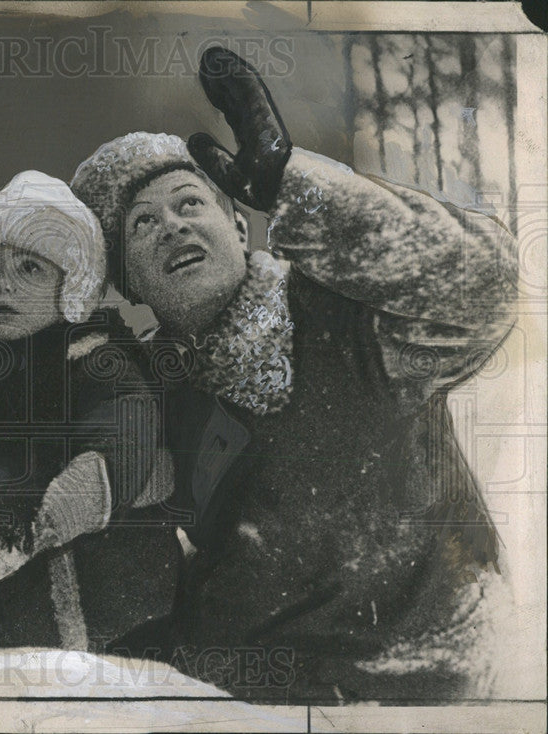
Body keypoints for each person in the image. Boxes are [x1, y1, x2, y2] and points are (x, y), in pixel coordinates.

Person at [70, 48, 517, 701]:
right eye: (142, 225)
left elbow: (484, 287)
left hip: (433, 686)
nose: (171, 226)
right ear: (130, 284)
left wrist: (294, 183)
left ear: (238, 223)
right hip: (258, 703)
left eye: (190, 202)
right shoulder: (145, 394)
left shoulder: (347, 314)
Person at [0, 171, 181, 653]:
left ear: (74, 284)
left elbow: (125, 429)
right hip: (22, 611)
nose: (4, 286)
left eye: (31, 269)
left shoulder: (96, 358)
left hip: (124, 608)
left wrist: (57, 510)